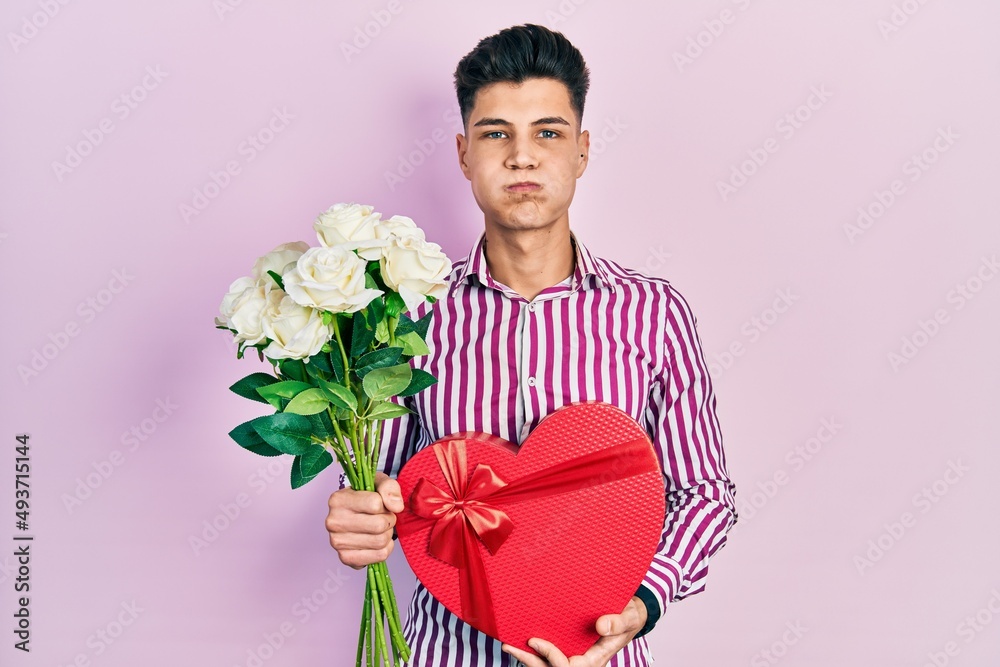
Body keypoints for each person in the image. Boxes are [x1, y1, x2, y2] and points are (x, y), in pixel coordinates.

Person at [325, 22, 738, 667]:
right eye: (496, 134)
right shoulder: (407, 320)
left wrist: (641, 604)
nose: (522, 157)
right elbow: (392, 485)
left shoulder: (653, 315)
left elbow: (705, 494)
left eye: (548, 132)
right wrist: (364, 514)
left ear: (582, 151)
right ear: (464, 154)